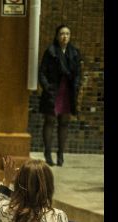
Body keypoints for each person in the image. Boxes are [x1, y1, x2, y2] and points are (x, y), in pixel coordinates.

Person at [39, 25, 82, 167]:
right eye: (62, 33)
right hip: (53, 91)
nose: (65, 36)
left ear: (70, 36)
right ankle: (48, 152)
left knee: (64, 122)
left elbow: (78, 74)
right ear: (57, 36)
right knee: (50, 121)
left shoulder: (74, 52)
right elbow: (42, 72)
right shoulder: (50, 51)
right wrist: (47, 87)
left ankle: (61, 153)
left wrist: (76, 87)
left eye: (67, 34)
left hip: (67, 92)